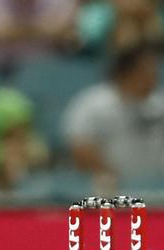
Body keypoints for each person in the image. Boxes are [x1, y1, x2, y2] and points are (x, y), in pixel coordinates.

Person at [61, 41, 164, 194]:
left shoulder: (159, 103)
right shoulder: (92, 103)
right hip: (112, 190)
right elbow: (80, 147)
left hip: (158, 187)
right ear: (128, 72)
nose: (154, 76)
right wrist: (109, 174)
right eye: (147, 71)